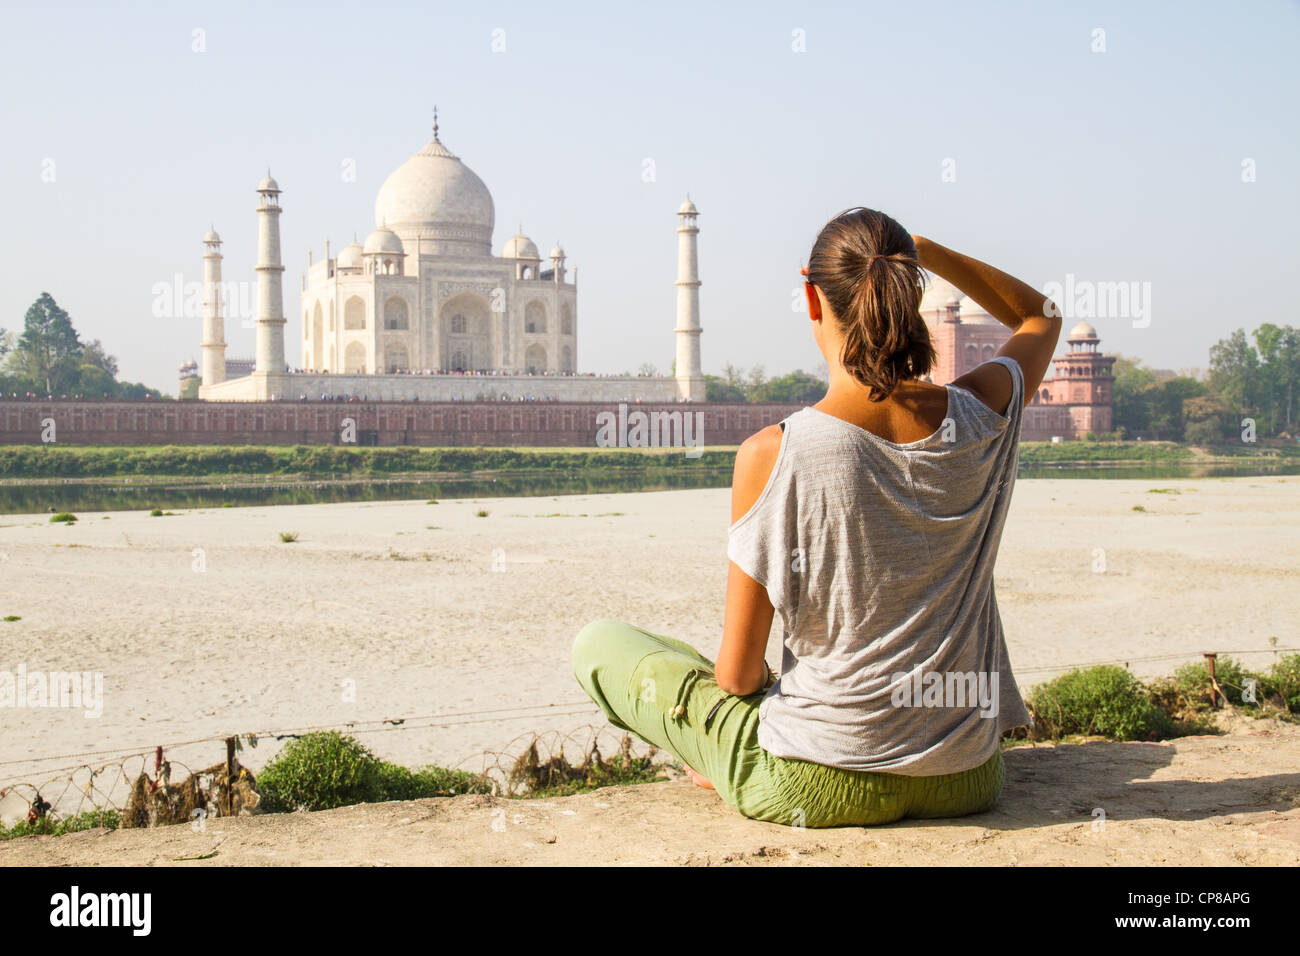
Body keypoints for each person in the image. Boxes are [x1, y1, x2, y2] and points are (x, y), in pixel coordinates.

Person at [572, 207, 1062, 827]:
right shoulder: (981, 413)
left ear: (811, 295)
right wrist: (926, 253)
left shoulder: (774, 452)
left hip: (815, 782)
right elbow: (1039, 317)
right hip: (964, 776)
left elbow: (739, 674)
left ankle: (722, 762)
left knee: (603, 644)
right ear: (910, 292)